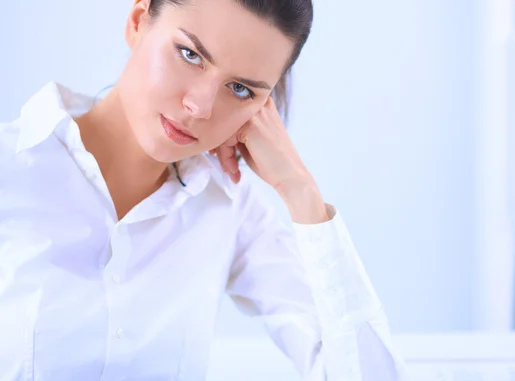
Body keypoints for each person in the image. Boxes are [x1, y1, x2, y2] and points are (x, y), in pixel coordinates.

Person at [0, 0, 406, 380]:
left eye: (241, 89)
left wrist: (300, 190)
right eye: (190, 54)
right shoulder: (11, 172)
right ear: (139, 21)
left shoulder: (228, 205)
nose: (201, 106)